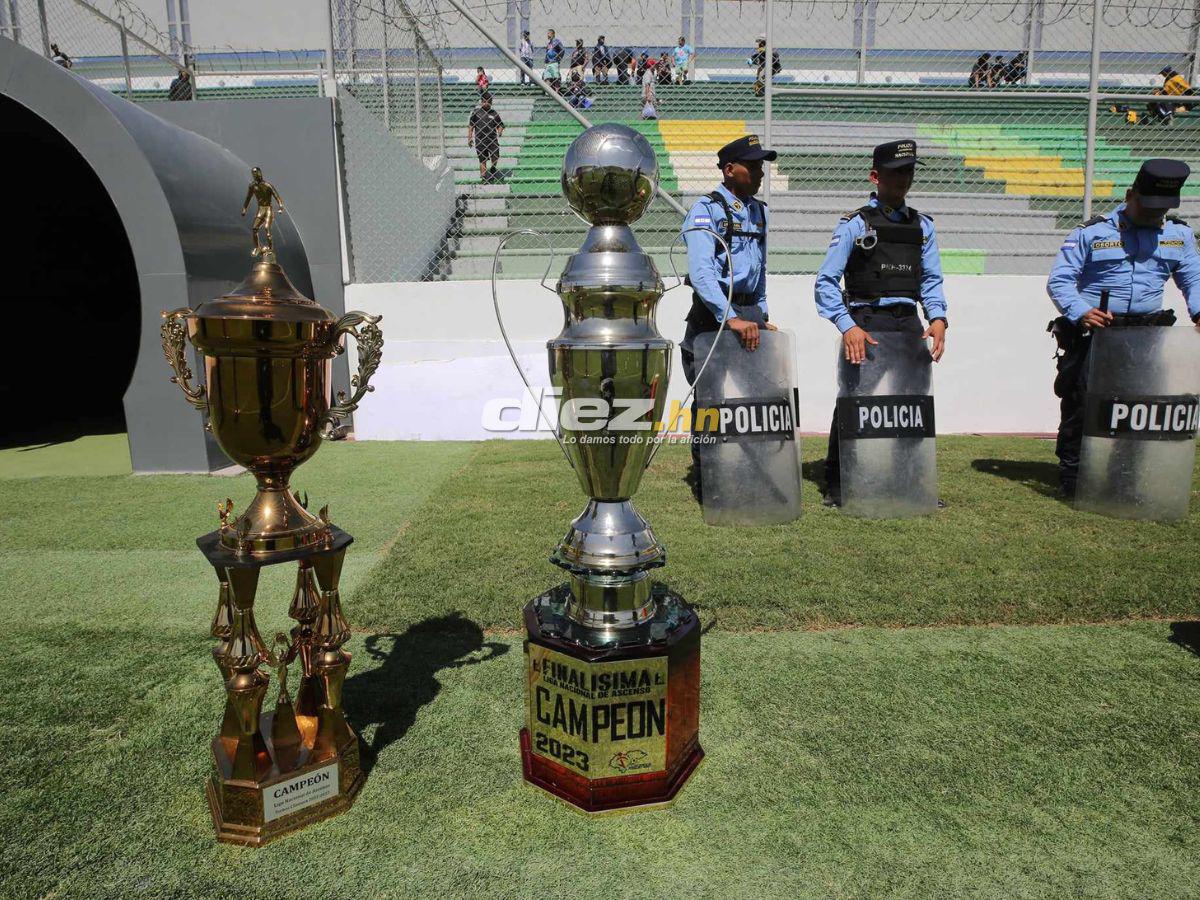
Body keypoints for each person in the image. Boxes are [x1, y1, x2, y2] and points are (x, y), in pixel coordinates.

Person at [1045, 159, 1200, 498]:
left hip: (1147, 334)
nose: (1154, 215)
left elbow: (1193, 278)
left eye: (1162, 209)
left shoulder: (1179, 235)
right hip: (1096, 332)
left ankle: (1124, 476)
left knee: (1139, 406)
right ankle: (1073, 476)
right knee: (1082, 404)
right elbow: (1060, 281)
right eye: (1148, 206)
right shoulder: (1092, 233)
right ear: (1130, 195)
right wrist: (1081, 312)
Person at [814, 140, 949, 507]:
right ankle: (839, 483)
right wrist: (847, 325)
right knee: (855, 402)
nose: (904, 178)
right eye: (896, 172)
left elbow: (931, 280)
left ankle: (912, 483)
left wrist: (937, 317)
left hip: (909, 324)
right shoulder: (855, 224)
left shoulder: (923, 226)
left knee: (912, 406)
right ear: (876, 176)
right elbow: (825, 282)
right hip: (866, 322)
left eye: (909, 171)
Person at [680, 135, 778, 492]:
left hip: (748, 314)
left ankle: (756, 472)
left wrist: (761, 314)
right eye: (752, 166)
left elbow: (760, 270)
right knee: (711, 401)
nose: (760, 173)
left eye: (761, 166)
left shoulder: (759, 211)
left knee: (758, 399)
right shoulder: (706, 210)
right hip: (713, 316)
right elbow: (702, 274)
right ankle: (709, 478)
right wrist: (731, 317)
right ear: (729, 169)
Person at [241, 167, 286, 257]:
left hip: (268, 209)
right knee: (254, 228)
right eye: (254, 173)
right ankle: (257, 247)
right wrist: (245, 208)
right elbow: (248, 197)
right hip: (261, 209)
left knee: (267, 228)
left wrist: (281, 206)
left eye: (257, 173)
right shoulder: (252, 186)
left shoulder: (268, 186)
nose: (256, 175)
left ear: (260, 173)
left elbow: (277, 197)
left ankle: (270, 248)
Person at [467, 93, 505, 182]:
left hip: (492, 140)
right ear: (481, 102)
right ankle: (484, 177)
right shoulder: (476, 113)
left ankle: (493, 167)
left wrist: (499, 131)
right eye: (484, 101)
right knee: (482, 160)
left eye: (488, 102)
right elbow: (471, 126)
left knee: (495, 155)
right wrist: (469, 138)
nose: (486, 103)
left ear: (491, 102)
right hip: (480, 140)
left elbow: (500, 125)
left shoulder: (494, 113)